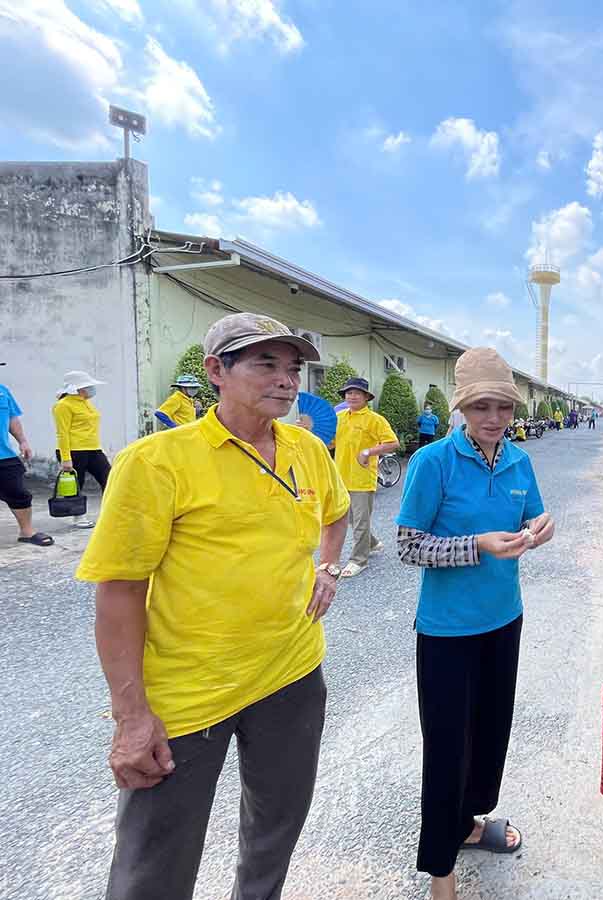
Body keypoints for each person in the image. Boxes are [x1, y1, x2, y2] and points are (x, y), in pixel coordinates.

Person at [75, 312, 350, 900]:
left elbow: (337, 511)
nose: (286, 380)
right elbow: (120, 590)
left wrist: (327, 568)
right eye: (266, 363)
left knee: (275, 831)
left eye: (293, 367)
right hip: (190, 692)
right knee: (153, 867)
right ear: (216, 371)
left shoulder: (307, 449)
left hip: (293, 674)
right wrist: (131, 716)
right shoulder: (157, 462)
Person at [395, 347, 555, 900]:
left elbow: (533, 515)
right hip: (446, 631)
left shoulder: (519, 462)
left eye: (503, 407)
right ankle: (441, 871)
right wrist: (477, 545)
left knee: (490, 733)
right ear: (461, 408)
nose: (494, 418)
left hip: (503, 619)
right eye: (481, 406)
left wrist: (541, 527)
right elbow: (408, 545)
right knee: (446, 747)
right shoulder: (433, 462)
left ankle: (467, 824)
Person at [332, 377, 400, 578]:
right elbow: (330, 443)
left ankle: (358, 560)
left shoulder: (375, 419)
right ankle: (372, 543)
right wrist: (309, 429)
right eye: (348, 393)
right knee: (350, 519)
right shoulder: (339, 417)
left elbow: (393, 443)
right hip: (341, 476)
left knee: (361, 521)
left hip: (362, 478)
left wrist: (368, 451)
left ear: (366, 397)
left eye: (356, 393)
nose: (351, 396)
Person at [0, 376, 53, 546]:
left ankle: (26, 532)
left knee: (19, 494)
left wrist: (23, 441)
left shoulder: (3, 391)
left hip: (4, 455)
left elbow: (12, 418)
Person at [53, 369, 108, 528]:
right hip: (74, 451)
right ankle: (78, 516)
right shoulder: (62, 405)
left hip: (93, 449)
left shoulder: (85, 402)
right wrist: (66, 458)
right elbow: (62, 433)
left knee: (109, 477)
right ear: (78, 388)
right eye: (88, 386)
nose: (91, 389)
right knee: (77, 485)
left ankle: (110, 511)